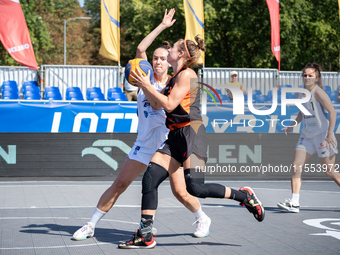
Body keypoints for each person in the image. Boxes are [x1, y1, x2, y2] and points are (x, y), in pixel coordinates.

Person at [118, 8, 265, 249]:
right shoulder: (173, 77)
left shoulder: (187, 75)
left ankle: (245, 196)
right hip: (175, 135)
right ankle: (145, 235)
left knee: (195, 188)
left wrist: (145, 84)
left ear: (181, 55)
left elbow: (167, 104)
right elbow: (156, 102)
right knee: (150, 178)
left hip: (192, 134)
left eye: (173, 48)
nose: (168, 51)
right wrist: (142, 84)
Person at [72, 9, 211, 241]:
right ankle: (90, 225)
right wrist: (162, 26)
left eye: (163, 58)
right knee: (121, 183)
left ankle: (202, 217)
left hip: (168, 145)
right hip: (145, 143)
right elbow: (140, 50)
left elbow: (168, 105)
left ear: (170, 62)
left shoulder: (174, 83)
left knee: (180, 191)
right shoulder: (141, 74)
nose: (158, 61)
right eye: (155, 58)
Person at [277, 62, 340, 213]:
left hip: (322, 136)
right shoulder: (301, 93)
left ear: (316, 78)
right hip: (307, 135)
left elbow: (333, 112)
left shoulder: (318, 92)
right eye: (305, 75)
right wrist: (292, 125)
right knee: (296, 166)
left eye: (310, 75)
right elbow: (301, 112)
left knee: (329, 172)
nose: (307, 78)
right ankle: (294, 202)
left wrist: (330, 133)